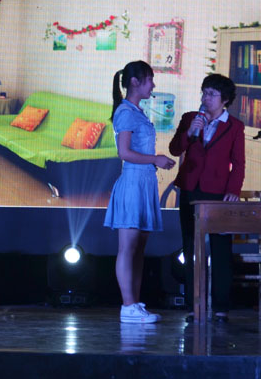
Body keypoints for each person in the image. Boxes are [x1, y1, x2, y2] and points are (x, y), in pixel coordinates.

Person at [168, 74, 245, 322]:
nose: (205, 98)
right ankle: (193, 306)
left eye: (211, 94)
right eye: (204, 92)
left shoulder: (235, 126)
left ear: (225, 100)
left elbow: (239, 164)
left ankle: (221, 307)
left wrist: (233, 191)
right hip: (191, 190)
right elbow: (174, 149)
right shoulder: (190, 118)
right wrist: (190, 132)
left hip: (219, 194)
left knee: (221, 249)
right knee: (191, 248)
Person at [104, 61, 176, 324]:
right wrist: (155, 159)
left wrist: (155, 161)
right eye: (149, 80)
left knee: (138, 249)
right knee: (128, 247)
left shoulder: (138, 112)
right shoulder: (125, 112)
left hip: (144, 183)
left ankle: (134, 304)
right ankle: (128, 306)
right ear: (135, 82)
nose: (153, 85)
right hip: (133, 184)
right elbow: (124, 152)